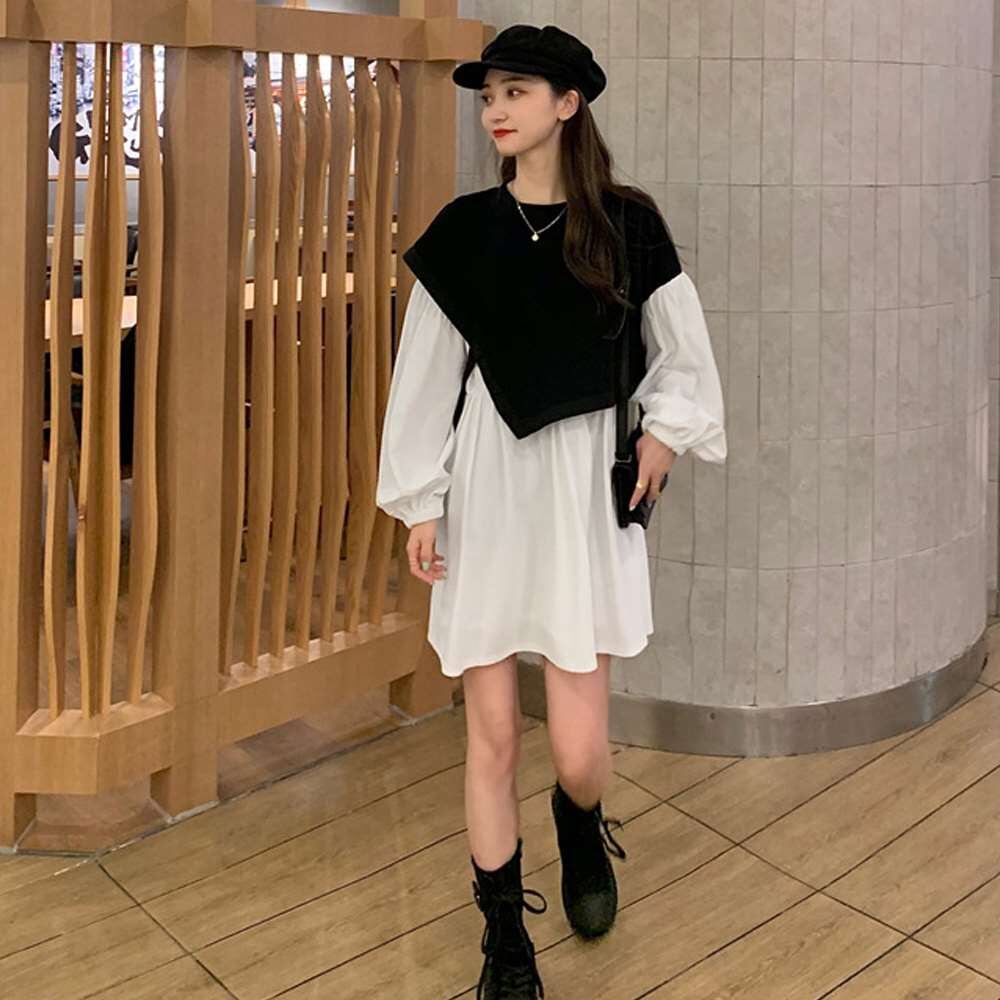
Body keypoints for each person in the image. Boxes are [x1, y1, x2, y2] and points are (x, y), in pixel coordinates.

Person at [376, 24, 727, 1000]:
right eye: (489, 93)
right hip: (487, 490)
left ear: (568, 103)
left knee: (578, 752)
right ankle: (504, 942)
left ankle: (580, 820)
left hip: (580, 500)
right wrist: (420, 501)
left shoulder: (628, 225)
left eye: (516, 91)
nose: (495, 108)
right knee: (491, 735)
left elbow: (683, 356)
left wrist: (665, 433)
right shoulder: (465, 231)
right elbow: (425, 375)